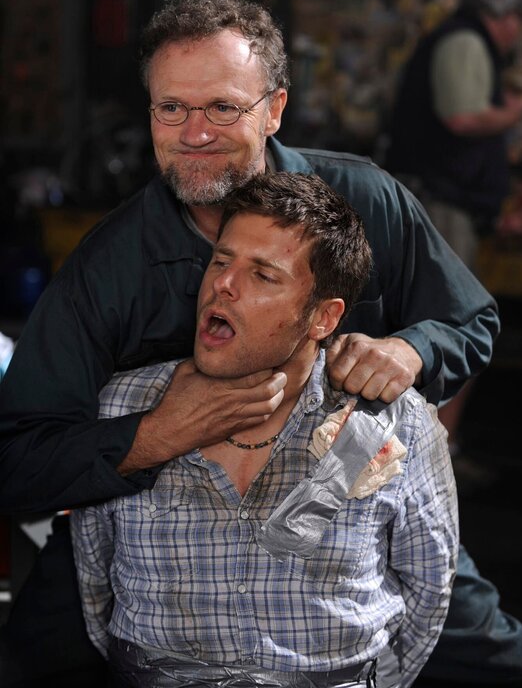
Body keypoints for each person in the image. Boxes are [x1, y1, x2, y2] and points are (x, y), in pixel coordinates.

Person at [0, 0, 522, 686]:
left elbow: (471, 320)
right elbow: (17, 459)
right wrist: (156, 434)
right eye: (171, 108)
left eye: (223, 107)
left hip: (350, 505)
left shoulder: (365, 201)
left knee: (500, 663)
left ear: (274, 108)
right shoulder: (110, 268)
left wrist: (410, 349)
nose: (194, 132)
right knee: (27, 660)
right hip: (163, 533)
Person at [70, 171, 459, 688]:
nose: (223, 285)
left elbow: (428, 593)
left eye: (263, 275)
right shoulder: (123, 406)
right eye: (221, 261)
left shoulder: (395, 423)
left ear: (323, 319)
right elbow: (94, 580)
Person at [385, 0, 522, 472]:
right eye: (519, 23)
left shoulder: (462, 39)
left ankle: (433, 451)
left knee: (451, 323)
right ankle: (431, 456)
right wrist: (516, 111)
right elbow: (463, 118)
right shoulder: (465, 39)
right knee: (454, 325)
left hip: (451, 201)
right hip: (442, 203)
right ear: (507, 18)